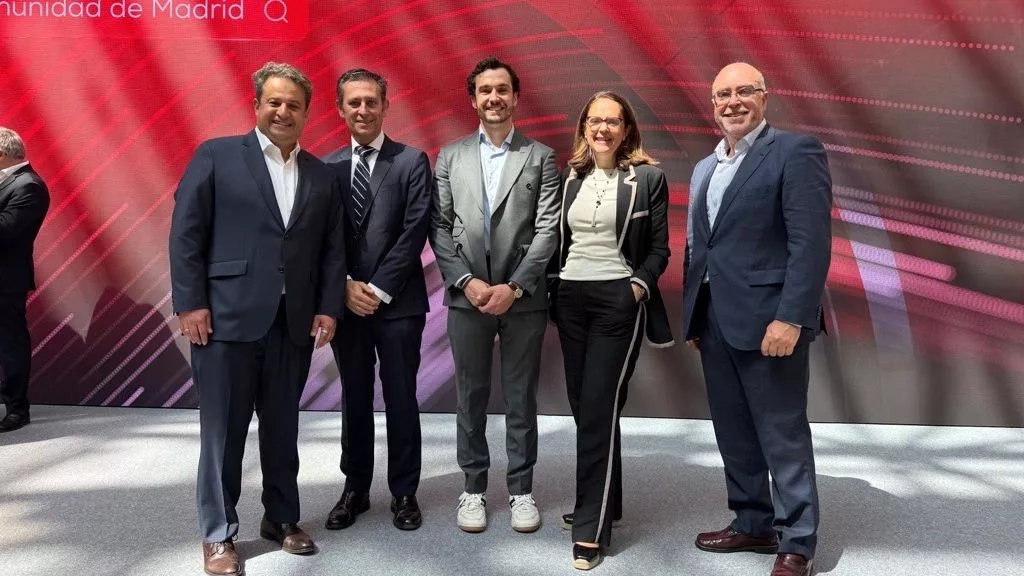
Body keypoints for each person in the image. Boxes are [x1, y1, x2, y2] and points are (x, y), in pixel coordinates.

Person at [169, 62, 346, 576]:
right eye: (275, 101)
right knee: (223, 433)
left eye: (294, 104)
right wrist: (190, 302)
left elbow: (332, 249)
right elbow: (186, 232)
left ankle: (281, 517)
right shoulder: (217, 155)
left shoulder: (320, 174)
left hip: (292, 322)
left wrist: (328, 306)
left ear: (307, 113)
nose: (283, 111)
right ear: (257, 105)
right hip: (224, 319)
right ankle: (218, 533)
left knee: (282, 427)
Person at [681, 62, 832, 576]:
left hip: (772, 323)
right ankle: (752, 523)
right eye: (722, 94)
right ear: (713, 104)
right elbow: (700, 247)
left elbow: (811, 244)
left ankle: (798, 542)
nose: (732, 102)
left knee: (782, 433)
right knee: (734, 431)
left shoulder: (795, 151)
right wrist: (695, 317)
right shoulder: (705, 168)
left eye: (744, 91)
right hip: (715, 321)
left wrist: (792, 317)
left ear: (764, 97)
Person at [428, 56, 560, 534]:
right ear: (473, 99)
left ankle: (521, 489)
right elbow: (440, 227)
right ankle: (473, 488)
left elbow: (548, 229)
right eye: (485, 90)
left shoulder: (541, 156)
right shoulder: (450, 156)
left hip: (523, 298)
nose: (494, 98)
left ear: (516, 97)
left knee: (521, 397)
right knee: (471, 396)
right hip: (468, 297)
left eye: (502, 89)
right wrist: (467, 281)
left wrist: (516, 286)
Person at [550, 91, 673, 570]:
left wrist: (636, 288)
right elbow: (558, 241)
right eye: (595, 120)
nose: (603, 128)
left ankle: (590, 527)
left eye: (613, 121)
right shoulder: (570, 177)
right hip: (571, 299)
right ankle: (608, 502)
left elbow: (659, 249)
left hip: (617, 301)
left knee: (599, 405)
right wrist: (555, 289)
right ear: (584, 126)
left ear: (626, 130)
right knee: (585, 406)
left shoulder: (647, 179)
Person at [321, 68, 433, 532]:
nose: (363, 110)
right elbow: (321, 238)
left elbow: (415, 229)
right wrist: (345, 285)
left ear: (386, 106)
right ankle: (356, 488)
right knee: (354, 396)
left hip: (399, 303)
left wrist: (378, 288)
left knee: (402, 396)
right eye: (354, 102)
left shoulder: (411, 161)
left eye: (371, 101)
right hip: (347, 304)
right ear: (340, 108)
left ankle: (404, 491)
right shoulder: (324, 167)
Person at [0, 127, 50, 433]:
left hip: (5, 280)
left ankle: (17, 409)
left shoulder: (28, 185)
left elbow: (5, 231)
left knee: (10, 344)